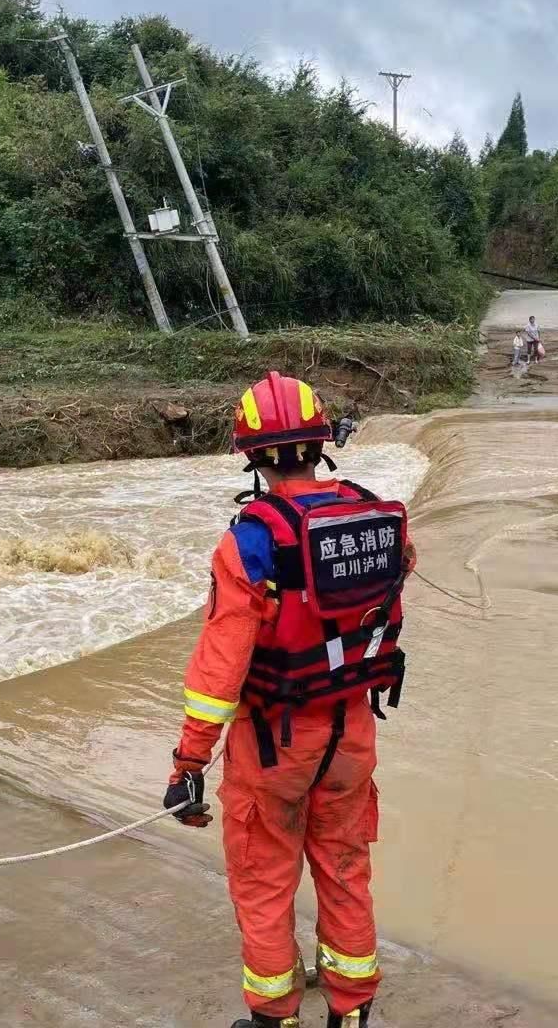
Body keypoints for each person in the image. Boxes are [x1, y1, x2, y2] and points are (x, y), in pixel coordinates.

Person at [163, 371, 415, 1028]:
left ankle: (275, 1016)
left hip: (274, 742)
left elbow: (220, 667)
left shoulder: (250, 541)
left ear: (251, 455)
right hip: (353, 730)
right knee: (344, 868)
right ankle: (352, 1012)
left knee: (265, 879)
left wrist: (189, 763)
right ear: (322, 441)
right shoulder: (372, 513)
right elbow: (400, 568)